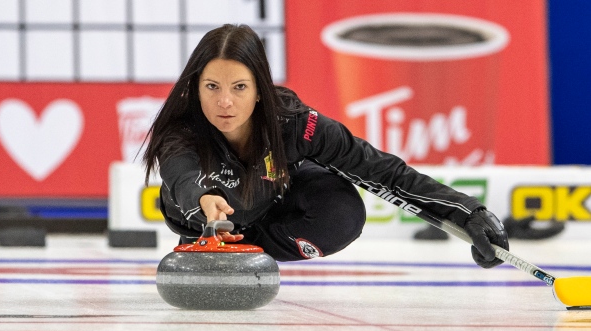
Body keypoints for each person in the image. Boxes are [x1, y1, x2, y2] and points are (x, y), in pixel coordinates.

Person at [142, 24, 509, 267]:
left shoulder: (295, 123)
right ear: (195, 87)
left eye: (239, 87)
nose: (225, 102)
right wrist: (203, 199)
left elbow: (381, 170)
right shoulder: (181, 129)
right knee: (218, 193)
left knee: (343, 213)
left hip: (273, 201)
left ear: (259, 92)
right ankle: (216, 242)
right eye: (212, 87)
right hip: (204, 210)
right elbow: (183, 174)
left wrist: (467, 212)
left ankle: (246, 249)